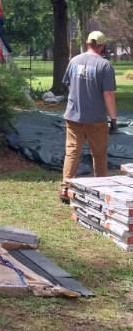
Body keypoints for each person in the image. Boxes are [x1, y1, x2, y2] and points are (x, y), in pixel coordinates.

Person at [59, 30, 118, 203]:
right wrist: (113, 119)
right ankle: (100, 189)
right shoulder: (105, 65)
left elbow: (70, 86)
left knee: (72, 152)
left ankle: (65, 189)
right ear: (101, 45)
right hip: (96, 119)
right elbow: (108, 94)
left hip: (73, 116)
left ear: (87, 43)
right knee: (99, 154)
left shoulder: (74, 61)